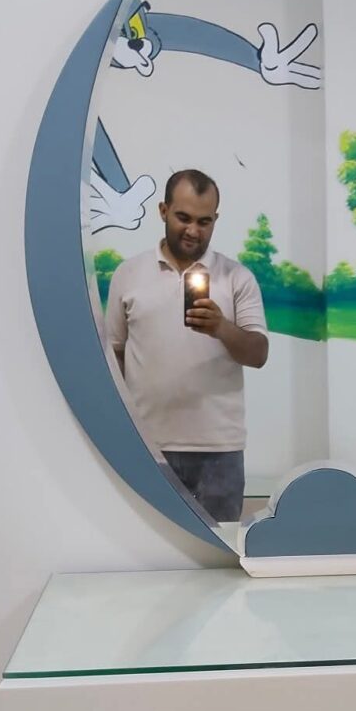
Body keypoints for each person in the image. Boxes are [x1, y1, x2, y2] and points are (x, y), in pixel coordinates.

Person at [105, 169, 268, 523]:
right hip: (146, 446)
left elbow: (258, 354)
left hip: (219, 452)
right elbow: (114, 353)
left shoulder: (237, 278)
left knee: (217, 550)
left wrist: (221, 327)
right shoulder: (128, 274)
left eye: (204, 221)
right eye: (184, 218)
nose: (193, 230)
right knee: (144, 547)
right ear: (163, 211)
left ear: (215, 220)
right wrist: (124, 425)